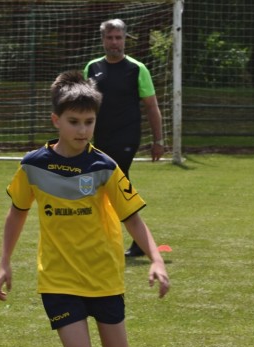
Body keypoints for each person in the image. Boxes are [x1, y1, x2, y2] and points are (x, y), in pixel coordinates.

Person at [0, 70, 170, 347]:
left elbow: (132, 218)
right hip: (57, 280)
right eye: (74, 122)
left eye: (89, 122)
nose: (82, 130)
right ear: (56, 120)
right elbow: (17, 213)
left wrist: (155, 259)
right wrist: (4, 263)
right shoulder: (33, 166)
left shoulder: (104, 166)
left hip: (104, 277)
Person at [85, 17, 165, 258]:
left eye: (118, 38)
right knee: (110, 187)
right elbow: (85, 106)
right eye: (110, 37)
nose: (114, 42)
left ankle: (131, 240)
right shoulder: (92, 68)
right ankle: (120, 239)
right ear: (103, 40)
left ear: (125, 40)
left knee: (116, 183)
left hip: (127, 137)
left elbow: (152, 106)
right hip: (101, 138)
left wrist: (158, 141)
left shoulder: (136, 69)